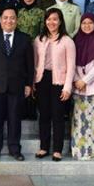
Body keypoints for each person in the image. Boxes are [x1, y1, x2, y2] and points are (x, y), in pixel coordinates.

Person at [0, 6, 33, 161]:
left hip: (17, 86)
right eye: (6, 18)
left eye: (12, 18)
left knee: (15, 119)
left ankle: (15, 149)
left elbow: (30, 64)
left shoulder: (25, 38)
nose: (9, 20)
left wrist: (28, 84)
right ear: (0, 20)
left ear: (17, 20)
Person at [33, 8, 75, 161]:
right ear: (45, 21)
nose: (52, 22)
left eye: (55, 19)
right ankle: (44, 147)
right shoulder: (39, 39)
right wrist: (33, 83)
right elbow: (35, 63)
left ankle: (57, 150)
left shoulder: (67, 41)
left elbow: (71, 66)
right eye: (49, 19)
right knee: (44, 115)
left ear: (60, 21)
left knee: (57, 116)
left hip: (59, 82)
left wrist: (67, 87)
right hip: (42, 79)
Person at [70, 13, 94, 160]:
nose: (87, 25)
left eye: (90, 23)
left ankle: (93, 151)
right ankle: (79, 151)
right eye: (84, 23)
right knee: (79, 121)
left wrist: (84, 81)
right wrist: (77, 80)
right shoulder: (75, 41)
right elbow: (70, 62)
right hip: (78, 89)